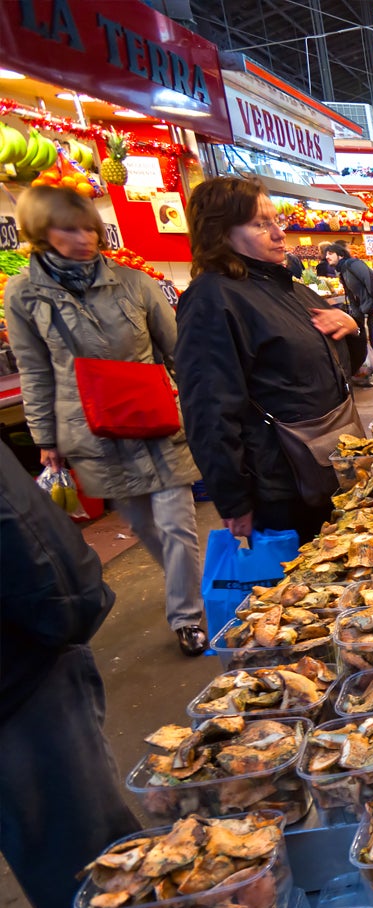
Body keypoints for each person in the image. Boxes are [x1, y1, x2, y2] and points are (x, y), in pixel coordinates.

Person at [5, 186, 207, 656]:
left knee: (177, 521)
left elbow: (178, 348)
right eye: (68, 229)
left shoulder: (134, 283)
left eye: (89, 228)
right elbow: (34, 369)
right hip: (91, 428)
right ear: (40, 232)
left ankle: (187, 614)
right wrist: (45, 437)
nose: (84, 238)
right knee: (141, 525)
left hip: (154, 416)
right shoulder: (25, 293)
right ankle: (190, 591)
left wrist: (203, 402)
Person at [0, 445, 142, 908]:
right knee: (94, 871)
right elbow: (19, 526)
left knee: (86, 872)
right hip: (15, 684)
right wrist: (72, 604)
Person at [174, 176, 362, 542]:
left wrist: (351, 328)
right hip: (282, 486)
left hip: (331, 465)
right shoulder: (212, 299)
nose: (279, 234)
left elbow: (341, 371)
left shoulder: (290, 288)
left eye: (276, 221)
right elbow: (208, 410)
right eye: (261, 224)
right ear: (221, 232)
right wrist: (233, 500)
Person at [325, 240, 373, 384]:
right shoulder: (343, 272)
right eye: (326, 254)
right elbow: (352, 296)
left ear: (340, 255)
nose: (327, 257)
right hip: (368, 309)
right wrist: (356, 317)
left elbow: (371, 281)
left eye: (330, 253)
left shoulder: (353, 264)